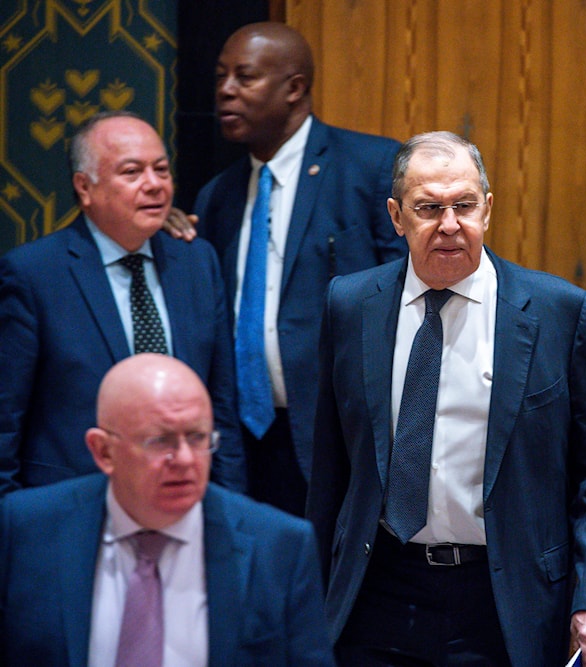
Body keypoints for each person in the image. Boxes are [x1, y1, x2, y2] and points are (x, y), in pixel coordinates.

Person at [306, 131, 586, 667]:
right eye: (429, 208)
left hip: (502, 597)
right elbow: (330, 469)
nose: (449, 225)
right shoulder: (351, 304)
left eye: (464, 205)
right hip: (377, 589)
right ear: (396, 216)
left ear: (489, 208)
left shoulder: (557, 312)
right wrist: (309, 597)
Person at [169, 22, 406, 516]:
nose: (225, 90)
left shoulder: (372, 169)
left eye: (245, 77)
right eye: (220, 77)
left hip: (338, 436)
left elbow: (411, 301)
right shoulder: (218, 196)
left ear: (294, 88)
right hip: (242, 443)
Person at [0, 353, 332, 666]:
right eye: (159, 440)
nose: (186, 460)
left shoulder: (280, 547)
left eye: (198, 437)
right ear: (103, 452)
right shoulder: (24, 530)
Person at [0, 111, 245, 498]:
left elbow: (222, 406)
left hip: (185, 501)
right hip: (75, 506)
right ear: (85, 187)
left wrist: (231, 510)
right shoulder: (33, 274)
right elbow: (6, 420)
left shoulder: (198, 262)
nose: (154, 185)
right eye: (132, 172)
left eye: (161, 170)